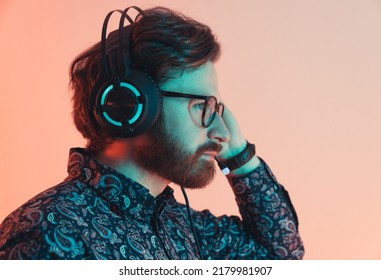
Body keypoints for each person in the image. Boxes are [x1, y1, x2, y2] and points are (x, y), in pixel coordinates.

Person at [0, 6, 304, 260]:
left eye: (218, 110)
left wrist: (239, 156)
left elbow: (280, 257)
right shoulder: (48, 235)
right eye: (202, 107)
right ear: (130, 105)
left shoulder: (181, 226)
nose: (222, 132)